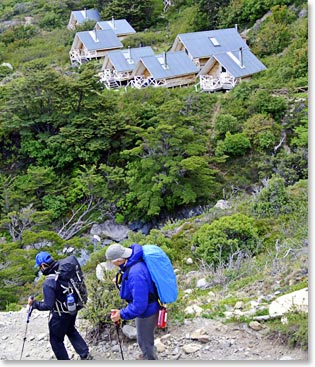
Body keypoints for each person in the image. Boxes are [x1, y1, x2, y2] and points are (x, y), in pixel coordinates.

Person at [28, 251, 92, 360]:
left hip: (60, 314)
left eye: (40, 267)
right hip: (73, 308)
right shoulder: (65, 270)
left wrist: (34, 304)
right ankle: (85, 354)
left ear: (43, 265)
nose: (40, 269)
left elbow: (48, 305)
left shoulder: (49, 282)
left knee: (56, 340)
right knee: (70, 329)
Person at [106, 243, 159, 360]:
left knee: (144, 341)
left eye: (112, 262)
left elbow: (139, 305)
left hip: (147, 312)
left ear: (118, 260)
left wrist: (121, 314)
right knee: (146, 338)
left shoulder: (136, 273)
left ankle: (150, 358)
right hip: (149, 307)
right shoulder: (132, 260)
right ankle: (148, 355)